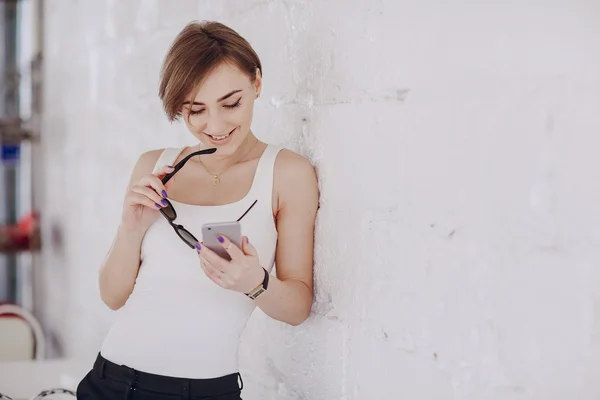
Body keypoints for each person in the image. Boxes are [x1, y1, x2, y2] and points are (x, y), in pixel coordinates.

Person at [76, 20, 318, 400]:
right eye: (195, 110)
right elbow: (112, 296)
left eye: (231, 103)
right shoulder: (154, 166)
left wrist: (254, 283)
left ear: (256, 83)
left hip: (205, 392)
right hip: (110, 383)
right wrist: (130, 228)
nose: (215, 125)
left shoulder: (288, 174)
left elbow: (298, 306)